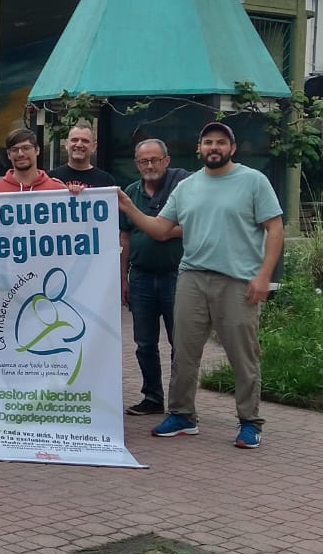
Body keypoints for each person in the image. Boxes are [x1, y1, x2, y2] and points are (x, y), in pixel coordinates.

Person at [118, 122, 283, 449]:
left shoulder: (253, 181)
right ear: (199, 148)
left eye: (221, 142)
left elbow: (274, 229)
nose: (214, 147)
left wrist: (264, 275)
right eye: (208, 142)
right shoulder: (188, 187)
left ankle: (250, 421)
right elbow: (161, 229)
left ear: (232, 148)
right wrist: (128, 206)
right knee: (185, 352)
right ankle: (182, 415)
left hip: (237, 280)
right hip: (192, 277)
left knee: (242, 354)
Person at [119, 139, 187, 417]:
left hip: (176, 277)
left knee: (179, 344)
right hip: (141, 277)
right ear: (137, 164)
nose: (150, 166)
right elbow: (124, 236)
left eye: (155, 160)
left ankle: (180, 403)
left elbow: (192, 225)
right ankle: (152, 397)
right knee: (144, 343)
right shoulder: (130, 193)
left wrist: (162, 230)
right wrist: (122, 277)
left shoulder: (181, 190)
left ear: (166, 161)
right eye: (143, 161)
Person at [0, 128, 68, 194]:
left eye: (26, 148)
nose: (20, 154)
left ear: (37, 150)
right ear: (9, 154)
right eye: (14, 149)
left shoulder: (57, 190)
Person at [50, 121, 116, 188]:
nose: (79, 145)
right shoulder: (51, 178)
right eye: (74, 140)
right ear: (66, 144)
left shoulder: (106, 181)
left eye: (85, 141)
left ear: (94, 147)